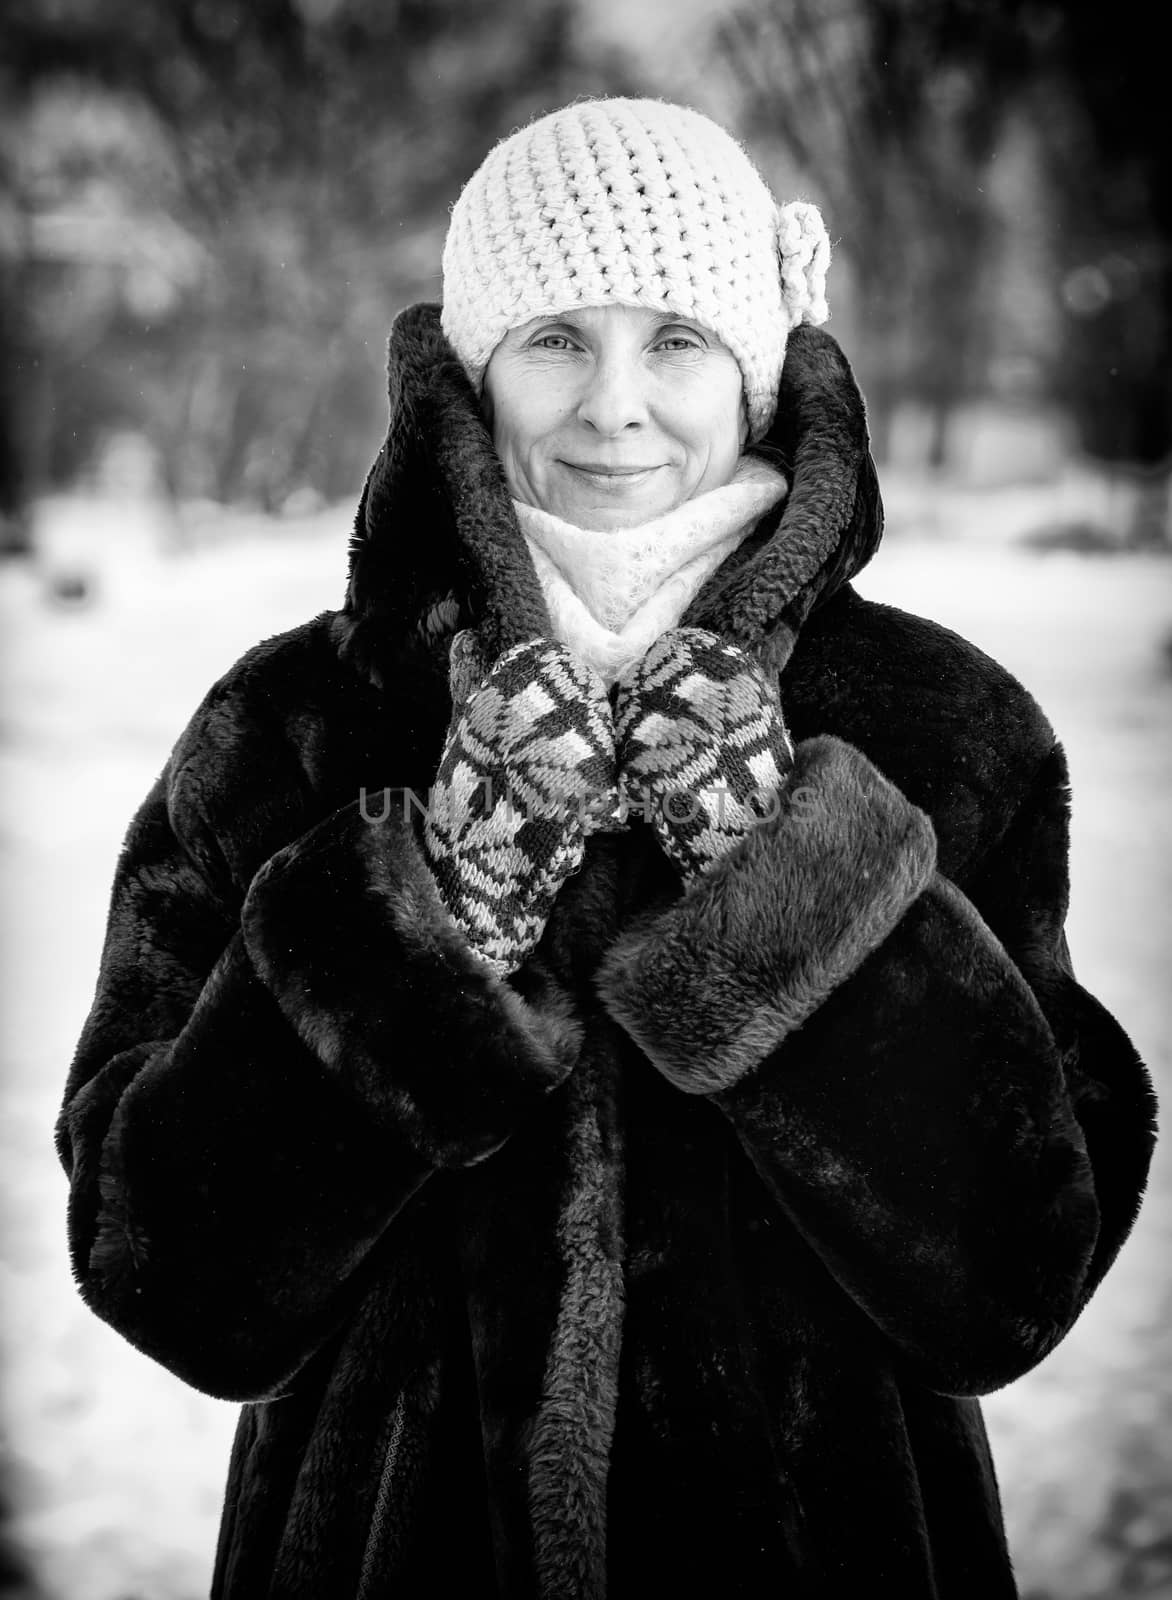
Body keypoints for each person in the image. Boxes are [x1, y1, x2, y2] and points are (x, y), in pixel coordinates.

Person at [56, 97, 1157, 1599]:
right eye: (556, 338)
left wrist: (786, 876)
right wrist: (431, 911)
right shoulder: (295, 723)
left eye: (678, 340)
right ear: (475, 367)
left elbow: (1013, 1280)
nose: (613, 406)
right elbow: (166, 1277)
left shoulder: (941, 724)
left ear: (760, 372)